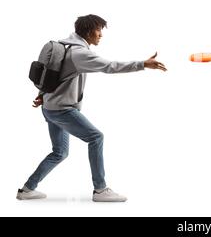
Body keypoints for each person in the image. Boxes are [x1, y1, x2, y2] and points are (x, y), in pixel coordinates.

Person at [17, 14, 167, 202]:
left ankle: (27, 189)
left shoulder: (64, 46)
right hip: (62, 110)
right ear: (88, 32)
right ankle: (100, 190)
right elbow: (110, 66)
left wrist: (42, 95)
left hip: (49, 107)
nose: (101, 35)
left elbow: (51, 76)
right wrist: (142, 64)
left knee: (60, 152)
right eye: (99, 30)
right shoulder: (80, 53)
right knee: (96, 137)